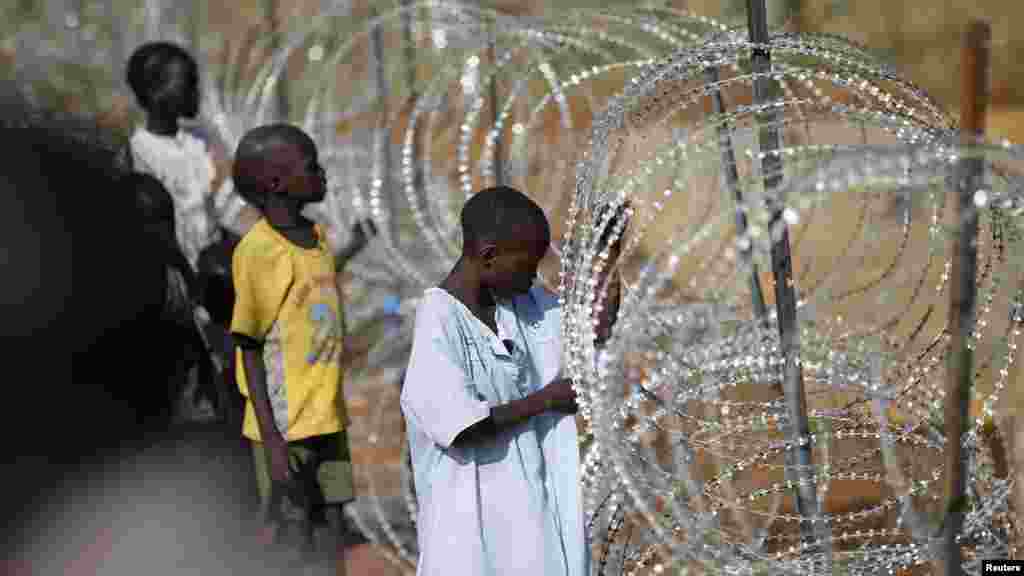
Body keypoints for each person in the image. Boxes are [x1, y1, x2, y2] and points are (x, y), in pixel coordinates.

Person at [400, 185, 585, 575]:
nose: (534, 275)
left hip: (530, 535)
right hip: (470, 543)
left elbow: (591, 324)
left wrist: (607, 260)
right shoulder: (439, 320)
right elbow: (463, 426)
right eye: (527, 264)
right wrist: (546, 400)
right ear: (488, 256)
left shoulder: (522, 307)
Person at [230, 124, 368, 573]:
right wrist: (271, 438)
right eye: (312, 166)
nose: (322, 173)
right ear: (275, 183)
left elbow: (311, 286)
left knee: (332, 528)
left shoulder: (318, 236)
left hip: (327, 416)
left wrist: (354, 249)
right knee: (291, 539)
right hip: (286, 427)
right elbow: (248, 345)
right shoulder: (258, 251)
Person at [124, 41, 262, 422]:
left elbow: (223, 208)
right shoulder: (137, 154)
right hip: (174, 287)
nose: (194, 93)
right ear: (154, 93)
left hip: (215, 281)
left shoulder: (199, 146)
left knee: (234, 381)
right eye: (185, 84)